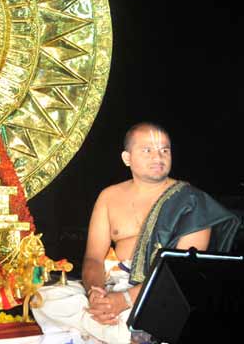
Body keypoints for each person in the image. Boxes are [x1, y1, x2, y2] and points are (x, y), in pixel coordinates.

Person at [33, 123, 240, 343]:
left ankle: (114, 329)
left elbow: (181, 274)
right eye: (147, 150)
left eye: (164, 150)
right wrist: (96, 293)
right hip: (112, 284)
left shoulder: (191, 202)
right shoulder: (109, 196)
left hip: (158, 294)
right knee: (43, 298)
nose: (157, 157)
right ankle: (125, 333)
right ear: (127, 158)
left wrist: (123, 300)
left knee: (161, 314)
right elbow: (93, 258)